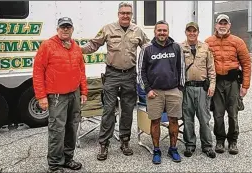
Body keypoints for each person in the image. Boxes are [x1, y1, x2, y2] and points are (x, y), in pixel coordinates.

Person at [81, 2, 150, 161]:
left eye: (128, 13)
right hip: (112, 74)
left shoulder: (137, 30)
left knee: (127, 110)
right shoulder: (108, 29)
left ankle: (125, 141)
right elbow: (93, 44)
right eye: (122, 13)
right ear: (118, 14)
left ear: (131, 15)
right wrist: (79, 50)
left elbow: (147, 47)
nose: (125, 15)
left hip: (130, 75)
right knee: (108, 110)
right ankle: (104, 143)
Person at [33, 17, 88, 173]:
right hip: (57, 95)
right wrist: (41, 96)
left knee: (72, 127)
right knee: (57, 129)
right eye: (63, 27)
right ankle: (55, 164)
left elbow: (81, 71)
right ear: (57, 29)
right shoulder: (47, 46)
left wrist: (83, 91)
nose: (65, 29)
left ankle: (68, 159)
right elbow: (37, 72)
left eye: (68, 27)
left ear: (72, 29)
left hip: (74, 93)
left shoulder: (76, 47)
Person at [138, 20, 185, 164]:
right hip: (155, 92)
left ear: (168, 32)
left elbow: (181, 68)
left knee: (173, 120)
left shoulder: (176, 47)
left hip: (173, 91)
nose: (162, 33)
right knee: (155, 121)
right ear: (155, 32)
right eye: (159, 30)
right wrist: (147, 90)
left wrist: (180, 89)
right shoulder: (147, 48)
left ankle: (173, 149)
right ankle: (156, 150)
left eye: (165, 30)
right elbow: (141, 72)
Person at [205, 14, 251, 155]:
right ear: (216, 25)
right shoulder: (208, 42)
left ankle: (232, 141)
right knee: (218, 114)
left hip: (233, 83)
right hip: (217, 83)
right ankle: (219, 140)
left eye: (225, 23)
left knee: (233, 113)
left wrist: (245, 86)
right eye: (220, 23)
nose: (222, 26)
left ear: (229, 25)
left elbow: (246, 64)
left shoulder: (238, 42)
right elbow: (203, 63)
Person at [181, 22, 217, 158]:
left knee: (204, 118)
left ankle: (207, 146)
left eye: (194, 31)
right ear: (186, 32)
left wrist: (212, 85)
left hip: (202, 88)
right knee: (188, 118)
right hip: (187, 88)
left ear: (198, 32)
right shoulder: (180, 48)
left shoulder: (205, 48)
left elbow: (211, 69)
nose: (191, 33)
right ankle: (190, 145)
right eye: (189, 31)